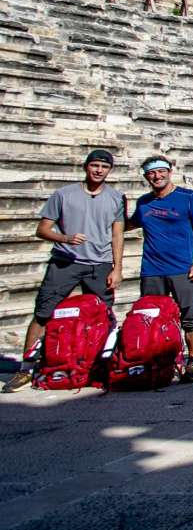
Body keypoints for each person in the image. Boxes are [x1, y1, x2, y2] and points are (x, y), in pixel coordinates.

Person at [5, 150, 125, 393]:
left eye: (104, 166)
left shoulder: (116, 198)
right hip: (65, 261)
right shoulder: (63, 194)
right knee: (44, 312)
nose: (99, 170)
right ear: (85, 167)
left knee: (104, 315)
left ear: (110, 170)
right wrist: (65, 238)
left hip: (99, 264)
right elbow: (42, 229)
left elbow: (117, 234)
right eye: (95, 165)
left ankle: (100, 365)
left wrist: (118, 267)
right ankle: (26, 369)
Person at [126, 156, 193, 382]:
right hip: (152, 269)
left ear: (170, 172)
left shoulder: (189, 198)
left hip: (183, 267)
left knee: (190, 315)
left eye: (161, 171)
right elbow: (129, 224)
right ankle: (157, 360)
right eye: (152, 173)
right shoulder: (143, 203)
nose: (157, 176)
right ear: (146, 176)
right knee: (151, 316)